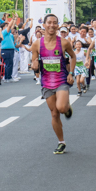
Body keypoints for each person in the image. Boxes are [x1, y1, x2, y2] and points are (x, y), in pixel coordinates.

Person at [30, 14, 76, 155]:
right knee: (54, 114)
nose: (51, 25)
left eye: (54, 23)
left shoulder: (64, 43)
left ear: (57, 26)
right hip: (46, 82)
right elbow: (34, 62)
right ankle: (61, 142)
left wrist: (71, 73)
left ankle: (66, 108)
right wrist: (35, 64)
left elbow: (73, 56)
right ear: (43, 25)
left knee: (61, 107)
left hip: (61, 79)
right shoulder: (37, 44)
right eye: (49, 22)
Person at [0, 17, 17, 83]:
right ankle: (7, 77)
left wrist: (15, 19)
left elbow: (12, 26)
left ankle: (9, 76)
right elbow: (10, 26)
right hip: (6, 50)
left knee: (10, 64)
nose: (8, 27)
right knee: (8, 64)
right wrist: (13, 19)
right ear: (4, 27)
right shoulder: (3, 32)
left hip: (10, 50)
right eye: (6, 26)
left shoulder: (9, 34)